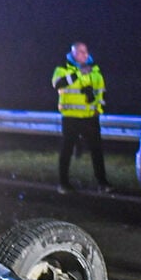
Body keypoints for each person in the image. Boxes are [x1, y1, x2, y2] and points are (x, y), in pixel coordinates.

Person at [52, 42, 112, 194]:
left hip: (90, 117)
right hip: (71, 117)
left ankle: (103, 183)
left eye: (85, 51)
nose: (84, 54)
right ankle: (63, 184)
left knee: (97, 151)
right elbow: (58, 84)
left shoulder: (95, 71)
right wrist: (79, 73)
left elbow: (101, 93)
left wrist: (98, 109)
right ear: (72, 54)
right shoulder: (62, 69)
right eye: (80, 52)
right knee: (66, 150)